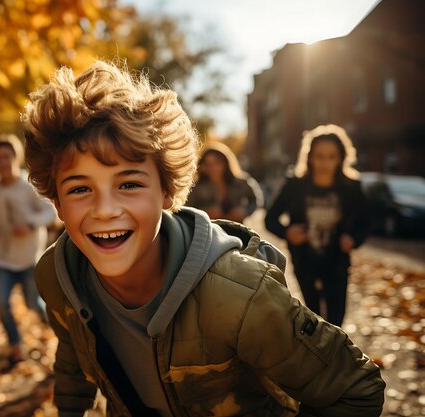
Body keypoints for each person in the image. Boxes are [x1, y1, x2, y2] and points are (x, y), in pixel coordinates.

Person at [21, 61, 384, 416]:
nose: (104, 210)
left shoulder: (239, 297)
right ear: (57, 204)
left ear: (167, 191)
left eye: (129, 184)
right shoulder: (57, 276)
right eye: (80, 188)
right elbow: (73, 356)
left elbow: (356, 389)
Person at [265, 124, 369, 327]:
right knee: (313, 320)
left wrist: (353, 239)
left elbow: (365, 222)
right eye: (319, 156)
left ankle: (333, 358)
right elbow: (270, 219)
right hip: (305, 261)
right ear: (310, 157)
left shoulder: (351, 187)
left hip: (337, 261)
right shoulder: (295, 185)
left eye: (331, 156)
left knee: (336, 322)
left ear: (341, 158)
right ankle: (317, 358)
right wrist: (288, 232)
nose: (325, 162)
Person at [0, 134, 57, 364]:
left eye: (6, 156)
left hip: (30, 257)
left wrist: (30, 224)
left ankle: (60, 333)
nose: (2, 162)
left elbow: (51, 213)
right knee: (2, 303)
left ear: (16, 157)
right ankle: (15, 345)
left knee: (33, 303)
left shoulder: (29, 186)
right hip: (3, 258)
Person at [187, 141, 263, 222]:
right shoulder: (197, 186)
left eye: (217, 163)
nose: (212, 168)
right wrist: (204, 212)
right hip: (208, 230)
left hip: (237, 230)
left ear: (226, 163)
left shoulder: (241, 182)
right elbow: (187, 208)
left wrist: (244, 211)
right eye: (208, 164)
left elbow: (256, 199)